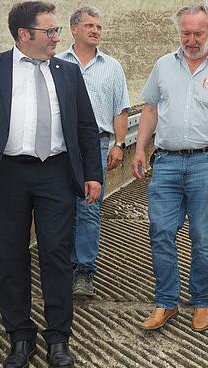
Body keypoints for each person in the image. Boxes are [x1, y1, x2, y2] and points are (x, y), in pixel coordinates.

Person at [0, 1, 102, 368]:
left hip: (56, 173)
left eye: (56, 31)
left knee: (56, 255)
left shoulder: (67, 72)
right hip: (6, 175)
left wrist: (92, 174)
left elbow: (86, 127)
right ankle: (19, 337)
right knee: (11, 258)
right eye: (49, 31)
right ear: (24, 34)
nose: (56, 37)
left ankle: (58, 340)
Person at [132, 2, 208, 332]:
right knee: (160, 232)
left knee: (203, 237)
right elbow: (150, 109)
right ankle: (166, 303)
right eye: (186, 33)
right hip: (167, 162)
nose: (191, 39)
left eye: (198, 33)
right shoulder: (163, 66)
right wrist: (140, 148)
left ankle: (201, 303)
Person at [58, 6, 131, 297]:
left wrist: (119, 144)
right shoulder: (57, 62)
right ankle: (62, 268)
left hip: (97, 145)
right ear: (74, 29)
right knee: (60, 208)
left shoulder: (112, 67)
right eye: (89, 25)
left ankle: (84, 272)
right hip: (60, 146)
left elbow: (121, 109)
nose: (95, 30)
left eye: (99, 26)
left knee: (88, 207)